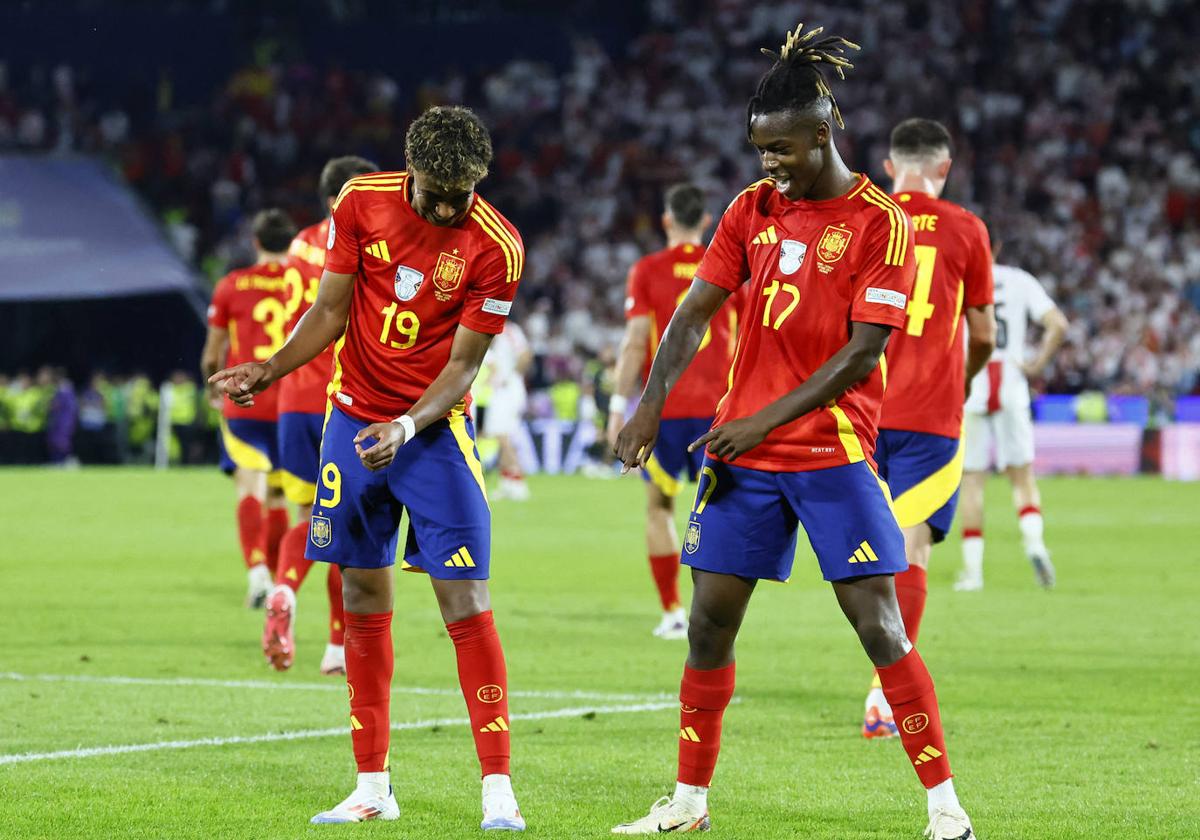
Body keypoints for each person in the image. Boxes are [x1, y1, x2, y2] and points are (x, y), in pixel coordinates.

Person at [612, 25, 976, 838]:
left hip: (833, 453)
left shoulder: (881, 223)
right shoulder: (751, 209)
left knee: (878, 625)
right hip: (746, 459)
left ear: (824, 134)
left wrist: (758, 420)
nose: (768, 164)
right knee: (708, 624)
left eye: (780, 149)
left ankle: (945, 807)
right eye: (759, 149)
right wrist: (647, 402)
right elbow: (694, 312)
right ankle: (689, 803)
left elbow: (862, 355)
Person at [210, 106, 526, 830]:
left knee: (465, 601)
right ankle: (372, 785)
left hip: (434, 433)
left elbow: (465, 364)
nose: (449, 208)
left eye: (463, 195)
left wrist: (409, 423)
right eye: (437, 193)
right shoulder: (361, 203)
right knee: (359, 592)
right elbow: (328, 310)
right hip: (350, 423)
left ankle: (497, 788)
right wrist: (269, 367)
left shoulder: (497, 245)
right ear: (409, 170)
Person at [862, 118, 996, 739]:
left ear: (891, 167)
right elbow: (986, 334)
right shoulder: (967, 229)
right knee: (911, 551)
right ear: (944, 168)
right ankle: (886, 695)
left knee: (870, 552)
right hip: (930, 415)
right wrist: (963, 378)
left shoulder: (865, 218)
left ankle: (883, 688)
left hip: (863, 410)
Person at [606, 183, 738, 640]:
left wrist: (617, 407)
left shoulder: (647, 270)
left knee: (659, 507)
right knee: (718, 513)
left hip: (665, 409)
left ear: (666, 220)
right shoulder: (729, 266)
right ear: (706, 222)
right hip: (721, 409)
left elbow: (635, 342)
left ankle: (672, 611)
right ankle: (711, 614)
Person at [262, 155, 377, 676]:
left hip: (291, 399)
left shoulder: (297, 246)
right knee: (348, 526)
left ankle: (283, 586)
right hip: (341, 397)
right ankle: (336, 646)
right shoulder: (364, 240)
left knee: (307, 517)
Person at [201, 209, 296, 608]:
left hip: (245, 399)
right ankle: (279, 580)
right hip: (292, 400)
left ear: (255, 242)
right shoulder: (302, 283)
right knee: (279, 495)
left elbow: (213, 352)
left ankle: (257, 570)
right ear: (291, 245)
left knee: (250, 485)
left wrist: (213, 386)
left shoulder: (231, 285)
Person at [957, 259, 1068, 591]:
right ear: (1000, 247)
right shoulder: (1021, 280)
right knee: (1022, 477)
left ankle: (973, 572)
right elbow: (1058, 324)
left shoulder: (962, 277)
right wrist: (1037, 364)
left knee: (973, 482)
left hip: (970, 383)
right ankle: (1035, 545)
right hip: (1011, 384)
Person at [481, 320, 533, 500]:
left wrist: (512, 377)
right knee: (499, 436)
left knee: (503, 436)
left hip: (508, 389)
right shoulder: (493, 330)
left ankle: (518, 482)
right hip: (499, 390)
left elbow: (526, 355)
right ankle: (507, 481)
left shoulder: (510, 330)